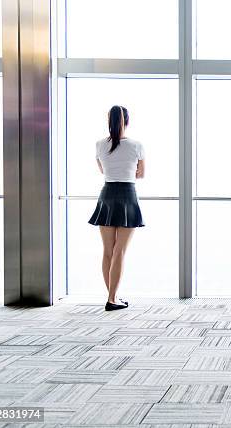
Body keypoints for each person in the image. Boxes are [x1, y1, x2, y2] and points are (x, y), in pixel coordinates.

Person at [88, 105, 145, 311]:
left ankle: (113, 296)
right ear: (126, 121)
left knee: (107, 251)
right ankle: (112, 299)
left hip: (107, 195)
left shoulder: (99, 145)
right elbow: (141, 174)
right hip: (127, 195)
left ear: (108, 121)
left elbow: (103, 170)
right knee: (119, 250)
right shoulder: (136, 145)